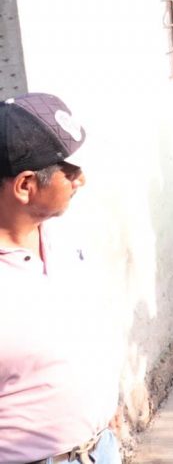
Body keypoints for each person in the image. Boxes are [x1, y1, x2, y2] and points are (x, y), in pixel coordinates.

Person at [0, 93, 123, 463]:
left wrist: (103, 411)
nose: (80, 179)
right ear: (25, 185)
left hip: (99, 448)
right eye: (67, 172)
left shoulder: (63, 238)